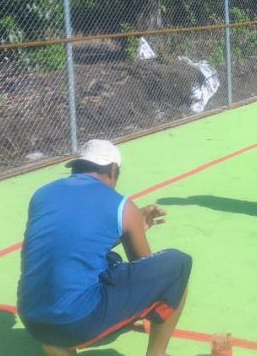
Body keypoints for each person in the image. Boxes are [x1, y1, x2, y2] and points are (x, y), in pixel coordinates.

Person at [17, 139, 191, 355]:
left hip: (32, 319)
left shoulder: (42, 194)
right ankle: (157, 353)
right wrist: (134, 225)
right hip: (77, 323)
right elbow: (145, 264)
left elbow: (69, 242)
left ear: (76, 167)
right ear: (112, 170)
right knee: (178, 265)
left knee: (110, 260)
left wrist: (130, 228)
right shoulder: (122, 206)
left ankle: (55, 346)